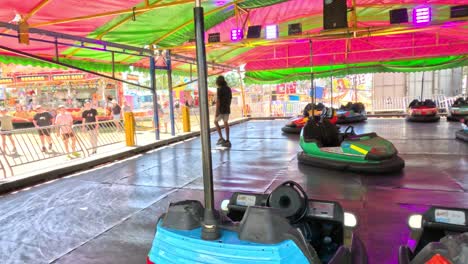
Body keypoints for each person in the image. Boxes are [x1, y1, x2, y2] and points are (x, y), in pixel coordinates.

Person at [214, 75, 232, 148]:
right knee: (226, 123)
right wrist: (228, 106)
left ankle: (221, 138)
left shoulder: (219, 89)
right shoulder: (228, 89)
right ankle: (227, 140)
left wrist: (217, 112)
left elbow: (218, 101)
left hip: (221, 109)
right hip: (227, 108)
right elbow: (230, 99)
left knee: (215, 122)